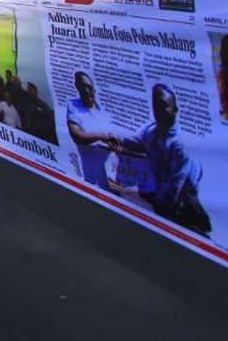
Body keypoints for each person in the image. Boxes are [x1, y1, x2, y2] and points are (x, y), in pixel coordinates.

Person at [117, 84, 212, 235]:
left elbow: (177, 186)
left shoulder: (181, 145)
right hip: (160, 205)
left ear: (175, 109)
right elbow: (140, 143)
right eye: (156, 106)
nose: (159, 111)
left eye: (164, 106)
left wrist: (157, 208)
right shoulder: (152, 131)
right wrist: (117, 140)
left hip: (181, 211)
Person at [66, 72, 119, 192]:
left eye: (88, 87)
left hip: (113, 181)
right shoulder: (73, 105)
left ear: (94, 89)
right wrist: (101, 136)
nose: (85, 90)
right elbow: (76, 136)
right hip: (93, 183)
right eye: (81, 87)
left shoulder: (104, 111)